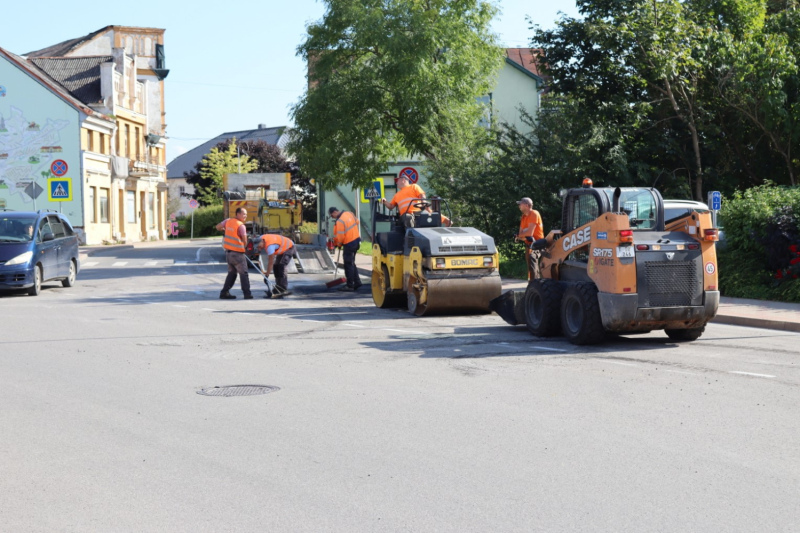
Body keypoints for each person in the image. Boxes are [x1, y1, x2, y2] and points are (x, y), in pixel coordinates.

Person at [215, 207, 253, 300]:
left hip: (228, 253)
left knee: (232, 273)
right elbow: (245, 240)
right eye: (244, 214)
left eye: (246, 214)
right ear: (238, 214)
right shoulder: (241, 225)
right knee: (243, 273)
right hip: (238, 253)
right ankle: (247, 294)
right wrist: (244, 248)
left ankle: (224, 292)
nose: (245, 216)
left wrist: (225, 230)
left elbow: (218, 227)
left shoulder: (228, 221)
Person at [329, 206, 363, 291]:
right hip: (356, 241)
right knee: (351, 263)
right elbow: (357, 222)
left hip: (349, 243)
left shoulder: (340, 221)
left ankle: (350, 285)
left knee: (348, 264)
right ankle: (357, 282)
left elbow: (340, 237)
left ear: (334, 212)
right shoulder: (349, 213)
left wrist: (338, 244)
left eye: (332, 216)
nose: (333, 217)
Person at [515, 197, 544, 280]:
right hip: (529, 244)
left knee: (532, 257)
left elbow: (529, 233)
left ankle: (535, 282)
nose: (519, 206)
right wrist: (520, 236)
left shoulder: (534, 213)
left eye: (520, 204)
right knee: (529, 266)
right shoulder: (523, 217)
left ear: (526, 205)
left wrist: (519, 236)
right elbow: (521, 233)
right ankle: (531, 283)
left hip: (537, 244)